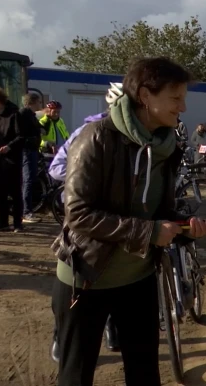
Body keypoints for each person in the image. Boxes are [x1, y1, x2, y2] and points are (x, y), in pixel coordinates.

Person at [50, 57, 206, 386]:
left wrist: (183, 227)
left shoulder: (167, 146)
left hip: (137, 278)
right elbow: (79, 214)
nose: (182, 107)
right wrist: (151, 231)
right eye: (175, 98)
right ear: (144, 96)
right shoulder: (95, 138)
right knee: (76, 375)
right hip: (86, 278)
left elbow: (159, 211)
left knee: (145, 374)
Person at [47, 82, 125, 362]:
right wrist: (84, 175)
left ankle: (112, 327)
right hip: (85, 217)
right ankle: (61, 332)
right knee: (77, 276)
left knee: (117, 276)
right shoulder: (87, 132)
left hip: (117, 219)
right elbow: (55, 169)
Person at [0, 87, 27, 232]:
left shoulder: (15, 114)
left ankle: (17, 223)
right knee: (0, 191)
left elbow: (21, 136)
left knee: (15, 191)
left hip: (13, 158)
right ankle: (3, 222)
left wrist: (9, 146)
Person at [20, 93, 43, 223]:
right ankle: (26, 212)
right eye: (38, 102)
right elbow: (21, 132)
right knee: (28, 180)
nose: (40, 104)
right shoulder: (24, 114)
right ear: (32, 102)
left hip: (32, 150)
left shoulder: (32, 115)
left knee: (30, 179)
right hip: (27, 151)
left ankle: (26, 211)